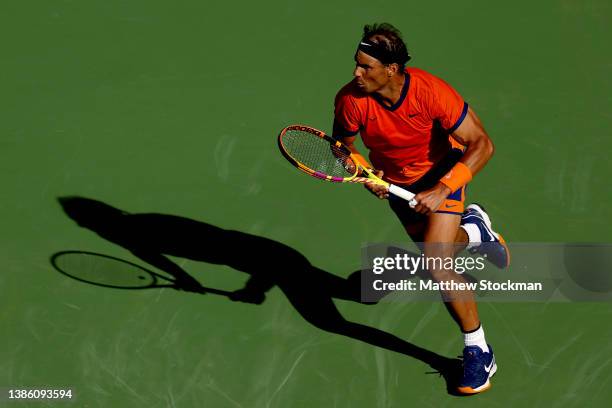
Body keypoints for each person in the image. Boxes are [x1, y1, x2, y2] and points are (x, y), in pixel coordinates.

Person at [332, 23, 510, 394]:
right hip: (397, 184)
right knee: (438, 250)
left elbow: (482, 144)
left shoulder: (431, 92)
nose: (356, 73)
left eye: (366, 67)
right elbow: (340, 146)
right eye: (356, 64)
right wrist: (364, 173)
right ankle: (477, 230)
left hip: (442, 173)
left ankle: (478, 350)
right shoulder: (351, 100)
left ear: (391, 69)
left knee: (437, 264)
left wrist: (442, 189)